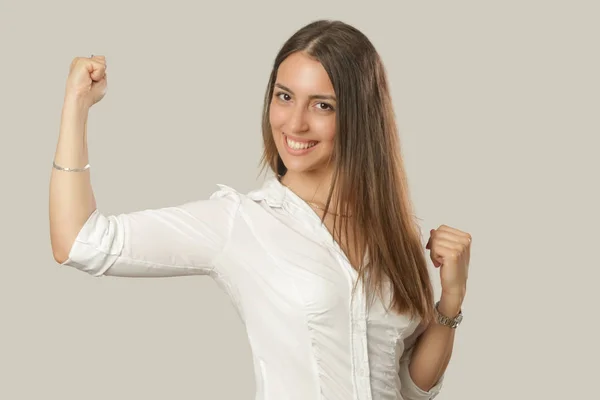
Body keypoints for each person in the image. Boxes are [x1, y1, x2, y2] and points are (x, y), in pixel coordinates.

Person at [49, 19, 472, 400]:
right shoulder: (242, 223)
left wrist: (450, 299)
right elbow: (81, 242)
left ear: (360, 117)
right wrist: (76, 105)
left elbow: (410, 388)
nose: (295, 123)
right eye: (285, 97)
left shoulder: (394, 234)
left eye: (322, 105)